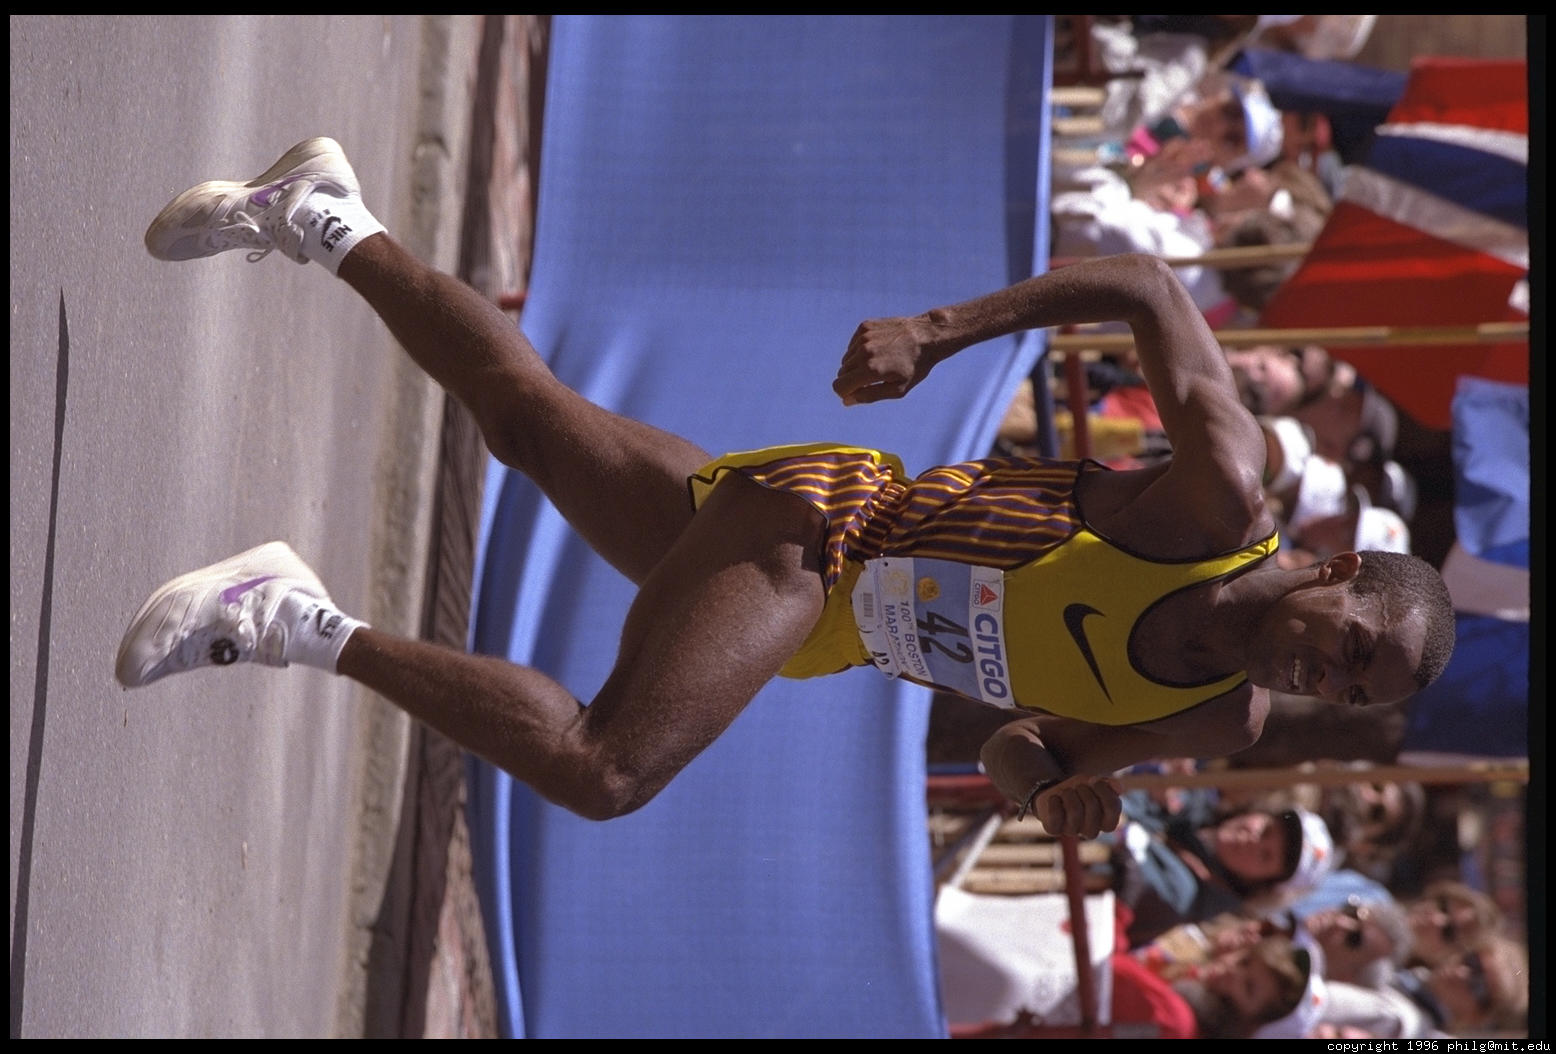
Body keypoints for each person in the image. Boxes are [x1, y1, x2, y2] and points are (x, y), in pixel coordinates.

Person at [115, 137, 1456, 838]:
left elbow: (1024, 745)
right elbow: (1148, 285)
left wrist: (1048, 794)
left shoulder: (1221, 715)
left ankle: (322, 215)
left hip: (837, 627)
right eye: (1354, 646)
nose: (1328, 677)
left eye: (1353, 692)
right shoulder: (1223, 500)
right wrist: (937, 331)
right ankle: (289, 618)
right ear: (1339, 571)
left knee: (528, 425)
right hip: (829, 535)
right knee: (606, 769)